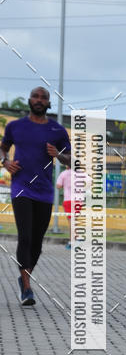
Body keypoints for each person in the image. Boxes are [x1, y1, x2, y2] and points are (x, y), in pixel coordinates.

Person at [0, 87, 71, 305]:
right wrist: (5, 162)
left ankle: (24, 278)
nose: (39, 100)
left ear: (48, 103)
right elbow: (3, 148)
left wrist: (58, 155)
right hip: (21, 187)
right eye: (36, 96)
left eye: (43, 98)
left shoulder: (57, 130)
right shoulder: (15, 126)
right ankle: (27, 288)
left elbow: (71, 159)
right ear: (30, 100)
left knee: (37, 242)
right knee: (25, 236)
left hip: (44, 191)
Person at [56, 167, 89, 249]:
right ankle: (76, 238)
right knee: (74, 221)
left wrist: (65, 185)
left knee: (71, 221)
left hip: (68, 200)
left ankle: (72, 242)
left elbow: (58, 186)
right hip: (78, 200)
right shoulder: (81, 173)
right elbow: (90, 182)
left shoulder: (64, 173)